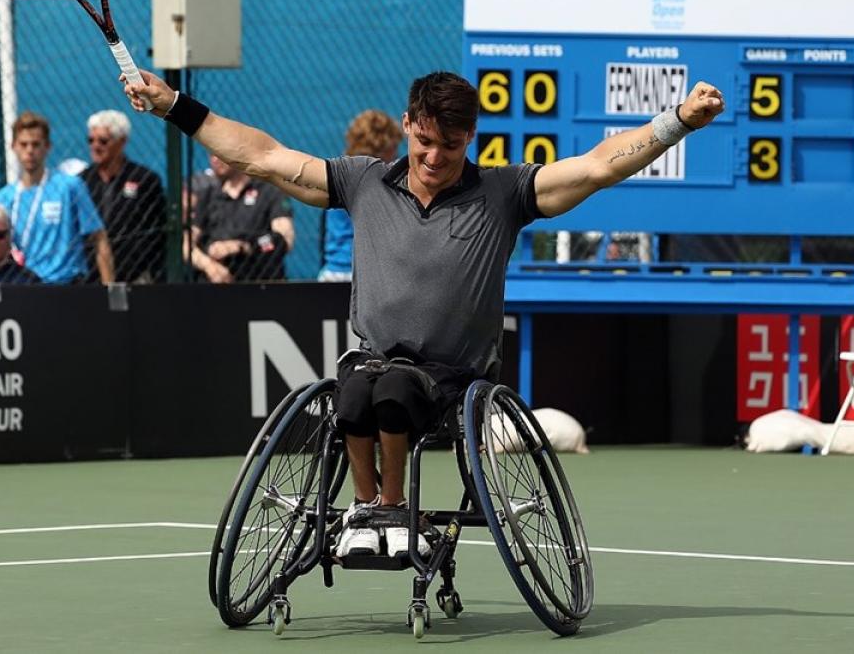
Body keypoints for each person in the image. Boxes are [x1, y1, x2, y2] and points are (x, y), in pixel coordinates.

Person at [123, 69, 723, 558]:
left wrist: (677, 122)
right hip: (373, 360)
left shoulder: (506, 193)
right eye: (425, 141)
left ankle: (392, 509)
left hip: (452, 377)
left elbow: (598, 165)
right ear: (408, 124)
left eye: (452, 145)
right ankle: (367, 512)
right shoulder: (362, 181)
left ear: (472, 138)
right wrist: (175, 104)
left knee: (393, 393)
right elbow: (264, 157)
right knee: (355, 393)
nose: (435, 157)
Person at [0, 111, 114, 284]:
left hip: (65, 284)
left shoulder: (69, 186)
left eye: (36, 144)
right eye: (24, 144)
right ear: (13, 146)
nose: (29, 151)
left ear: (47, 146)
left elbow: (99, 237)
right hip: (23, 285)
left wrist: (110, 288)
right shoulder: (4, 197)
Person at [82, 109, 165, 283]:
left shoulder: (144, 180)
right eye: (91, 140)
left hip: (135, 277)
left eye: (103, 141)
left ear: (121, 142)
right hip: (90, 278)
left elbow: (159, 232)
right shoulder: (82, 181)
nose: (95, 146)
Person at [318, 110, 402, 282]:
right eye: (393, 147)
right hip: (366, 275)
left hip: (331, 272)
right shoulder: (380, 180)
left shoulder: (340, 173)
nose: (396, 153)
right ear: (382, 147)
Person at [189, 153, 294, 283]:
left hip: (259, 283)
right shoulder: (207, 195)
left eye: (220, 154)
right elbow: (187, 244)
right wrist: (209, 266)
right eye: (211, 154)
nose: (215, 159)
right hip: (212, 286)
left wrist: (243, 246)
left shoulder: (270, 192)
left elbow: (284, 240)